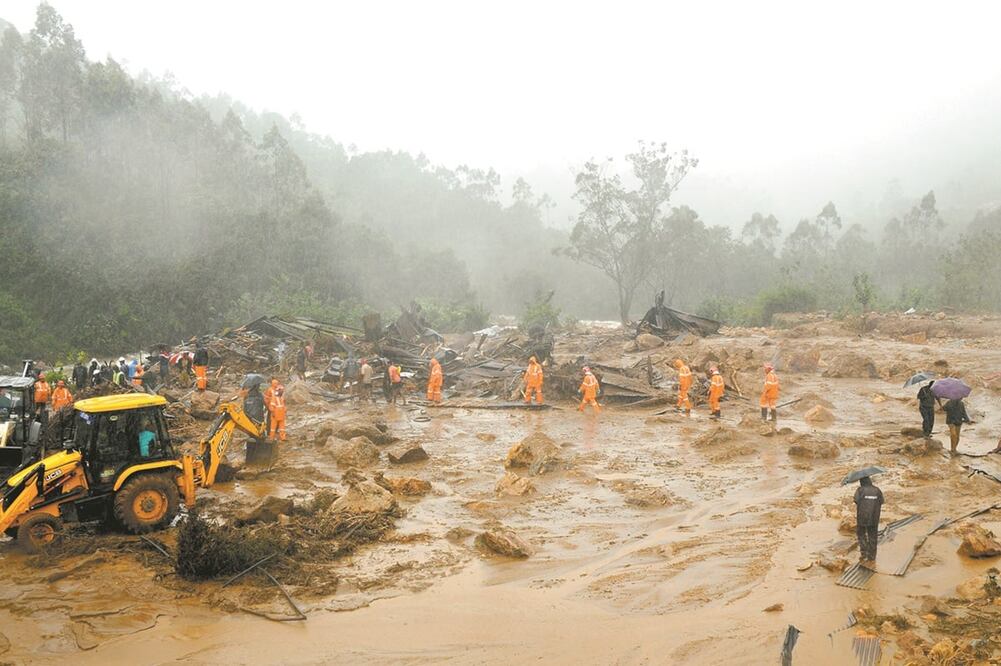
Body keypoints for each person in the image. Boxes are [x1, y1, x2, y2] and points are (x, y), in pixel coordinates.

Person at [854, 475, 884, 569]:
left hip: (862, 517)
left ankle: (864, 553)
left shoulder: (860, 490)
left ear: (861, 482)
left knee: (861, 534)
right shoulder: (877, 490)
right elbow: (882, 501)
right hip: (874, 517)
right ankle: (872, 557)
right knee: (873, 536)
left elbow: (856, 500)